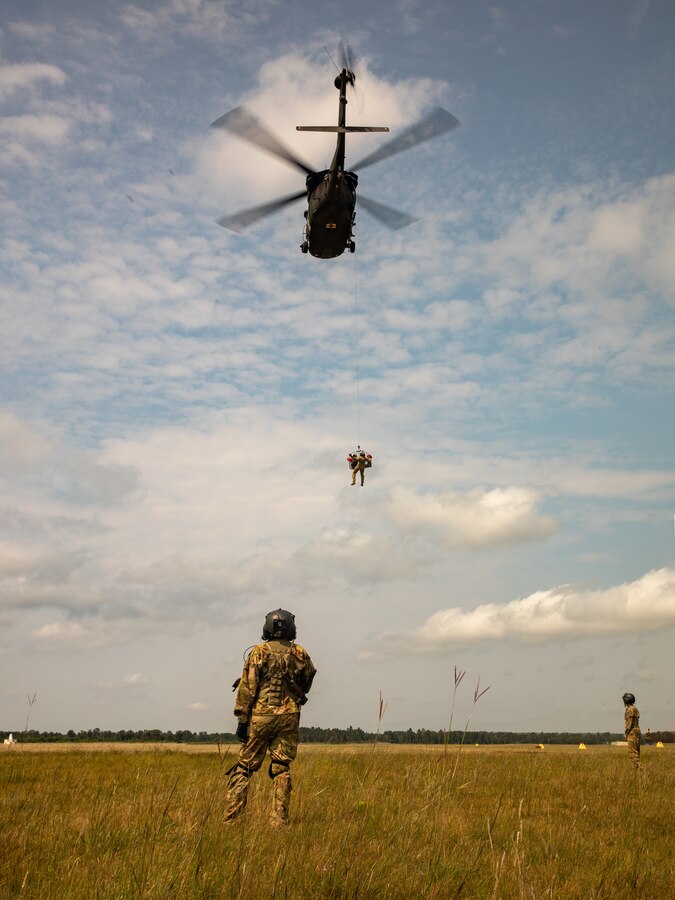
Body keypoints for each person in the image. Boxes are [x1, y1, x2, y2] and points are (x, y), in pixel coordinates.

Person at [225, 609, 316, 826]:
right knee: (281, 768)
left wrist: (242, 719)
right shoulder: (300, 653)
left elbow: (248, 688)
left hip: (261, 717)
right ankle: (279, 822)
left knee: (244, 767)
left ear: (267, 628)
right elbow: (308, 681)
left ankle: (232, 821)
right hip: (289, 717)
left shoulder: (259, 652)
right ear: (291, 628)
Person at [622, 692, 641, 770]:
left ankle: (639, 770)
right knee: (636, 752)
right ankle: (637, 770)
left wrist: (626, 733)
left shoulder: (630, 709)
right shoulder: (634, 708)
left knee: (632, 753)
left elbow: (629, 723)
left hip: (632, 732)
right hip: (636, 731)